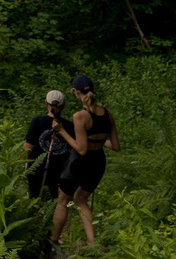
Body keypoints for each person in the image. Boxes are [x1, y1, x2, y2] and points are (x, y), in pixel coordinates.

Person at [51, 73, 119, 249]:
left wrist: (61, 131)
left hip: (80, 163)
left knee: (63, 200)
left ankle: (53, 241)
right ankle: (92, 243)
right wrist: (96, 139)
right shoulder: (108, 114)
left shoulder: (79, 116)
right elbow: (115, 146)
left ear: (75, 92)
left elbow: (81, 150)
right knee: (81, 200)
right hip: (98, 164)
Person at [22, 90, 66, 202]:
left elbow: (27, 146)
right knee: (56, 201)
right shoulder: (69, 125)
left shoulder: (38, 121)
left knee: (35, 199)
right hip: (60, 171)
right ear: (63, 106)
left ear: (46, 103)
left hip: (37, 168)